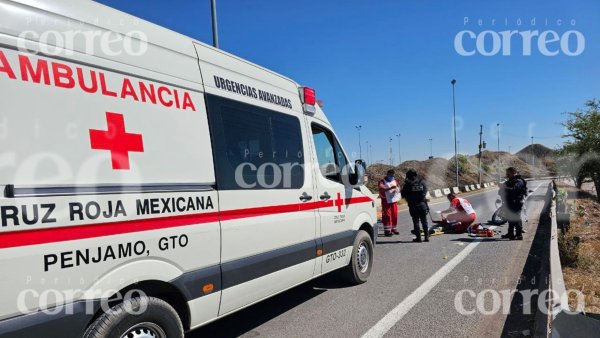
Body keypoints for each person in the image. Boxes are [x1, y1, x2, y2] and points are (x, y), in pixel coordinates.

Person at [401, 169, 430, 242]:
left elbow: (403, 195)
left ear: (408, 176)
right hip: (422, 204)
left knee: (416, 222)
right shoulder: (422, 183)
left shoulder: (408, 184)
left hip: (413, 205)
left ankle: (419, 238)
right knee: (424, 221)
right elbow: (424, 194)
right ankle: (427, 237)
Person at [500, 167, 527, 240]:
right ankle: (510, 233)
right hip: (509, 202)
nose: (507, 175)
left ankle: (519, 235)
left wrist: (504, 188)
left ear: (513, 173)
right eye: (507, 173)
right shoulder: (509, 181)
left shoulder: (519, 181)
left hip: (517, 202)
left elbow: (514, 190)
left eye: (508, 173)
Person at [378, 169, 400, 236]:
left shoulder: (394, 180)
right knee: (387, 216)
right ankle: (387, 231)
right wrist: (390, 188)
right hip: (386, 201)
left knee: (394, 215)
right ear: (387, 174)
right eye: (391, 175)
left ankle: (394, 229)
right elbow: (381, 188)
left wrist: (397, 189)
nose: (392, 177)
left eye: (393, 175)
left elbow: (398, 186)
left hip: (393, 201)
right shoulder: (382, 181)